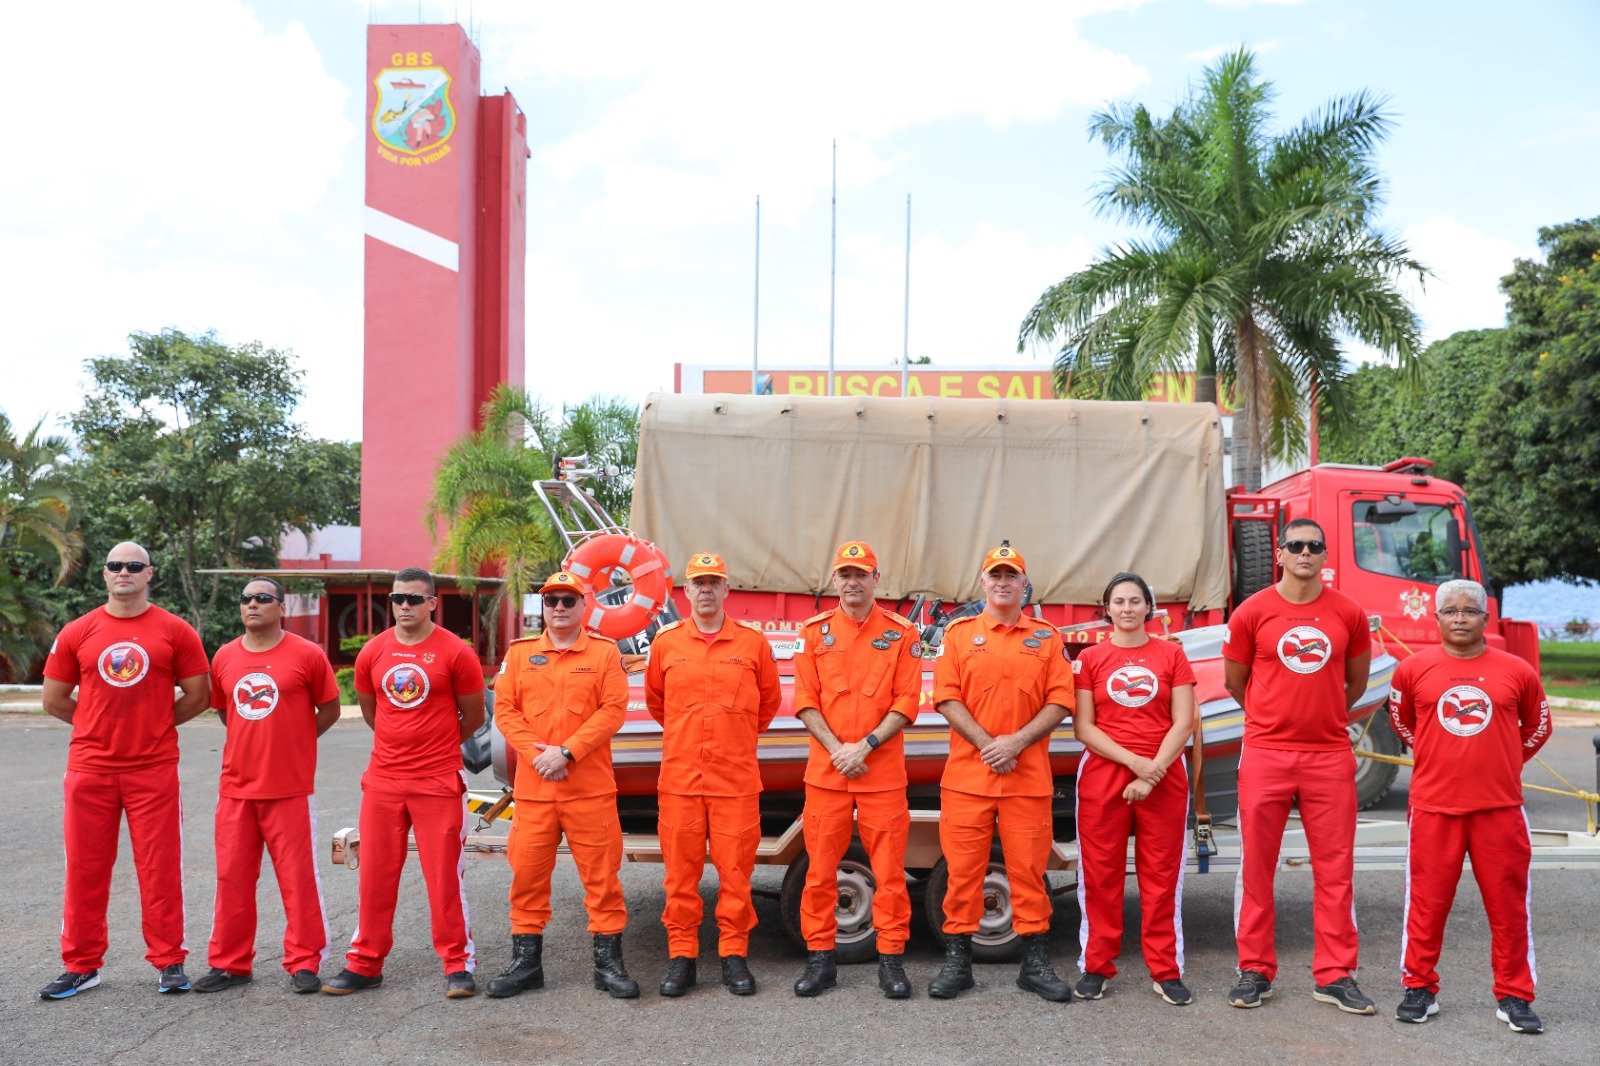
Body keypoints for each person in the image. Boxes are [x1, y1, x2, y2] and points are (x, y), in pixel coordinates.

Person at [39, 542, 211, 999]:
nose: (124, 572)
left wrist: (152, 725)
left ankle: (169, 962)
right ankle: (81, 965)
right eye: (116, 565)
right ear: (104, 574)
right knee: (85, 869)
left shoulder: (175, 630)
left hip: (153, 769)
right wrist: (98, 726)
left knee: (159, 868)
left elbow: (199, 695)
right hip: (90, 769)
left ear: (149, 573)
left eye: (134, 566)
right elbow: (54, 699)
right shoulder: (79, 630)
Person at [1223, 518, 1375, 1014]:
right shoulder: (1252, 612)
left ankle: (1334, 975)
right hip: (1266, 752)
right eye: (1296, 545)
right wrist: (1275, 718)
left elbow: (1353, 685)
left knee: (1335, 870)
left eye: (1315, 546)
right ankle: (1255, 970)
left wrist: (1318, 717)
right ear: (1281, 554)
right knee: (1257, 868)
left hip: (1329, 755)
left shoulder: (1348, 614)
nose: (1306, 552)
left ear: (1325, 556)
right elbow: (1235, 682)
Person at [1387, 579, 1551, 1033]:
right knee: (1426, 904)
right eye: (1451, 611)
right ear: (1436, 618)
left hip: (1500, 808)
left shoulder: (1517, 671)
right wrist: (1437, 755)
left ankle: (1514, 996)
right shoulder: (1412, 670)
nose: (1460, 618)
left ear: (1484, 617)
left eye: (1470, 611)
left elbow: (1538, 726)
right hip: (1434, 807)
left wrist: (1502, 761)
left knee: (1509, 907)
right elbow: (1402, 720)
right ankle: (1419, 988)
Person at [322, 568, 486, 999]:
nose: (405, 606)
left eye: (414, 599)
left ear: (433, 602)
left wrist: (434, 747)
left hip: (437, 781)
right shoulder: (374, 652)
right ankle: (365, 963)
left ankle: (457, 964)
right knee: (374, 875)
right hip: (383, 782)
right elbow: (375, 714)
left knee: (444, 878)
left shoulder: (456, 652)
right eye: (398, 599)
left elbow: (474, 716)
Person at [929, 543, 1074, 1002]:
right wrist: (990, 745)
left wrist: (1015, 742)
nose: (1003, 582)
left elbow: (1061, 701)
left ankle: (1034, 962)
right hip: (968, 779)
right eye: (996, 575)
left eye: (1012, 575)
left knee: (1029, 873)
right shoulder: (959, 634)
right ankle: (958, 961)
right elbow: (946, 697)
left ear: (1023, 583)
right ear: (983, 581)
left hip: (1026, 779)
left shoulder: (1047, 639)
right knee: (963, 873)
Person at [486, 570, 637, 999]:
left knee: (603, 880)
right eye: (551, 601)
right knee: (527, 877)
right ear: (543, 607)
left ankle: (608, 966)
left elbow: (613, 711)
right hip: (535, 790)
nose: (559, 608)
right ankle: (525, 965)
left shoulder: (606, 654)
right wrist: (539, 756)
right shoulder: (519, 655)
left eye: (568, 601)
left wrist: (566, 752)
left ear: (584, 606)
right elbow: (506, 712)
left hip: (588, 789)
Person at [195, 577, 342, 995]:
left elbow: (329, 708)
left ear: (282, 607)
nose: (253, 604)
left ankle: (304, 962)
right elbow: (227, 713)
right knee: (231, 879)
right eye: (246, 599)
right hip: (236, 790)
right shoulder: (224, 656)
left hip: (289, 789)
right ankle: (230, 964)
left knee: (298, 879)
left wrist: (295, 741)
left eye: (263, 598)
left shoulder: (307, 655)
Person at [644, 552, 781, 997]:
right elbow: (657, 704)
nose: (705, 589)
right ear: (686, 592)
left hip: (735, 783)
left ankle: (734, 956)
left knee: (736, 875)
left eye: (713, 582)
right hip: (681, 782)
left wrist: (733, 736)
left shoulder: (752, 644)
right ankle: (682, 958)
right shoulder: (666, 644)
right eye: (697, 583)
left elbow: (768, 705)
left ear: (726, 590)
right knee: (680, 878)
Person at [790, 541, 919, 999]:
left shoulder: (902, 633)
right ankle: (820, 961)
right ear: (835, 580)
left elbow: (907, 701)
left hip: (881, 773)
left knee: (889, 874)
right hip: (827, 775)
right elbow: (804, 700)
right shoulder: (813, 632)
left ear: (875, 579)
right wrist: (838, 749)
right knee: (820, 872)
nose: (852, 581)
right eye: (844, 574)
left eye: (861, 573)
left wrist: (864, 745)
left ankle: (891, 962)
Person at [1071, 572, 1199, 1006]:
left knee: (1162, 877)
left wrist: (1153, 772)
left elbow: (1184, 721)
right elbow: (1083, 727)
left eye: (1135, 601)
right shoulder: (1090, 659)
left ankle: (1165, 969)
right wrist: (1134, 765)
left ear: (1149, 607)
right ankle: (1096, 965)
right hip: (1106, 773)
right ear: (1106, 609)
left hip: (1163, 774)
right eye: (1119, 601)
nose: (1127, 608)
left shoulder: (1172, 655)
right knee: (1099, 875)